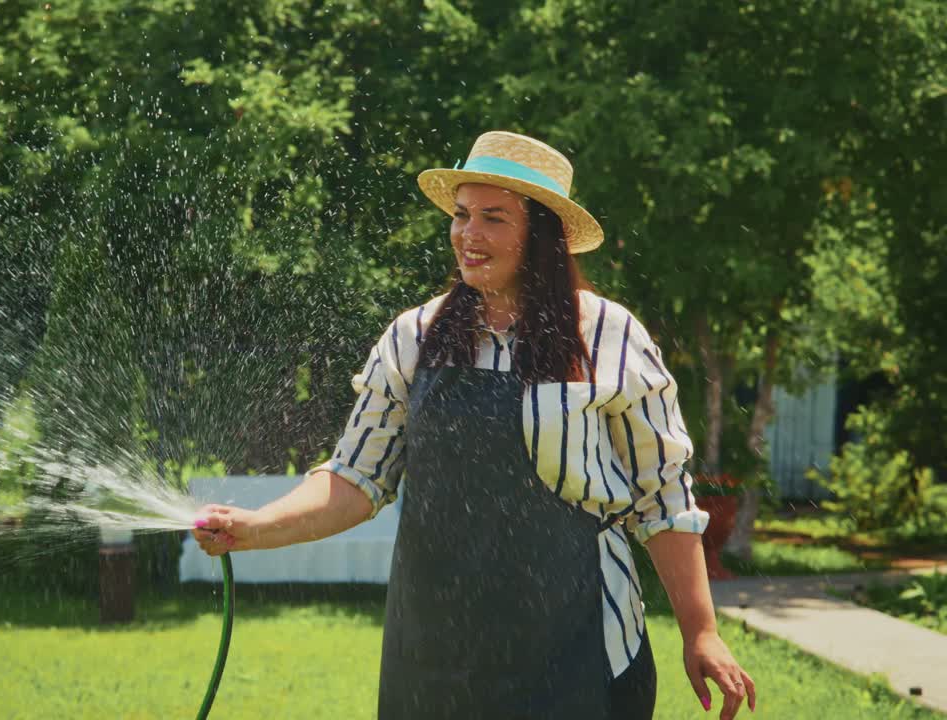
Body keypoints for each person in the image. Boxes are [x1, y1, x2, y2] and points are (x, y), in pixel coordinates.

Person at [193, 131, 756, 719]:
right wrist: (258, 527)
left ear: (542, 236)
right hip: (434, 658)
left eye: (494, 217)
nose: (469, 233)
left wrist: (701, 631)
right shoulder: (413, 337)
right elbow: (356, 479)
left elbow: (663, 498)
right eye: (462, 214)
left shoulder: (610, 338)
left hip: (579, 650)